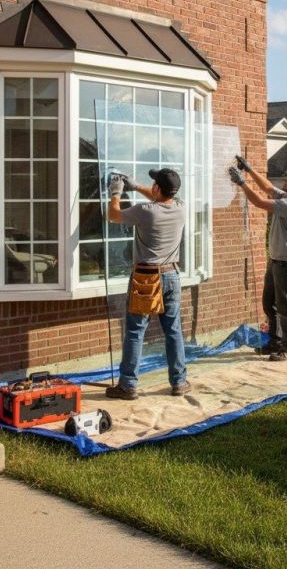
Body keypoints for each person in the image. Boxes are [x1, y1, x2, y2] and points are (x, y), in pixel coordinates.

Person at [105, 168, 189, 400]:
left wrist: (116, 192)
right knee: (173, 330)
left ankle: (127, 385)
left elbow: (113, 215)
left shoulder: (145, 211)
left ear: (157, 188)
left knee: (135, 331)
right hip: (172, 275)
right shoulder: (181, 207)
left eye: (153, 184)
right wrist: (136, 186)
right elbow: (160, 198)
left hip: (145, 278)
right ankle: (179, 382)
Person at [229, 158, 287, 361]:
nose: (286, 180)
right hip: (277, 260)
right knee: (269, 303)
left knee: (286, 306)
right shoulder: (286, 196)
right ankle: (275, 342)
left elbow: (259, 202)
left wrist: (242, 182)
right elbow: (267, 188)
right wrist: (249, 169)